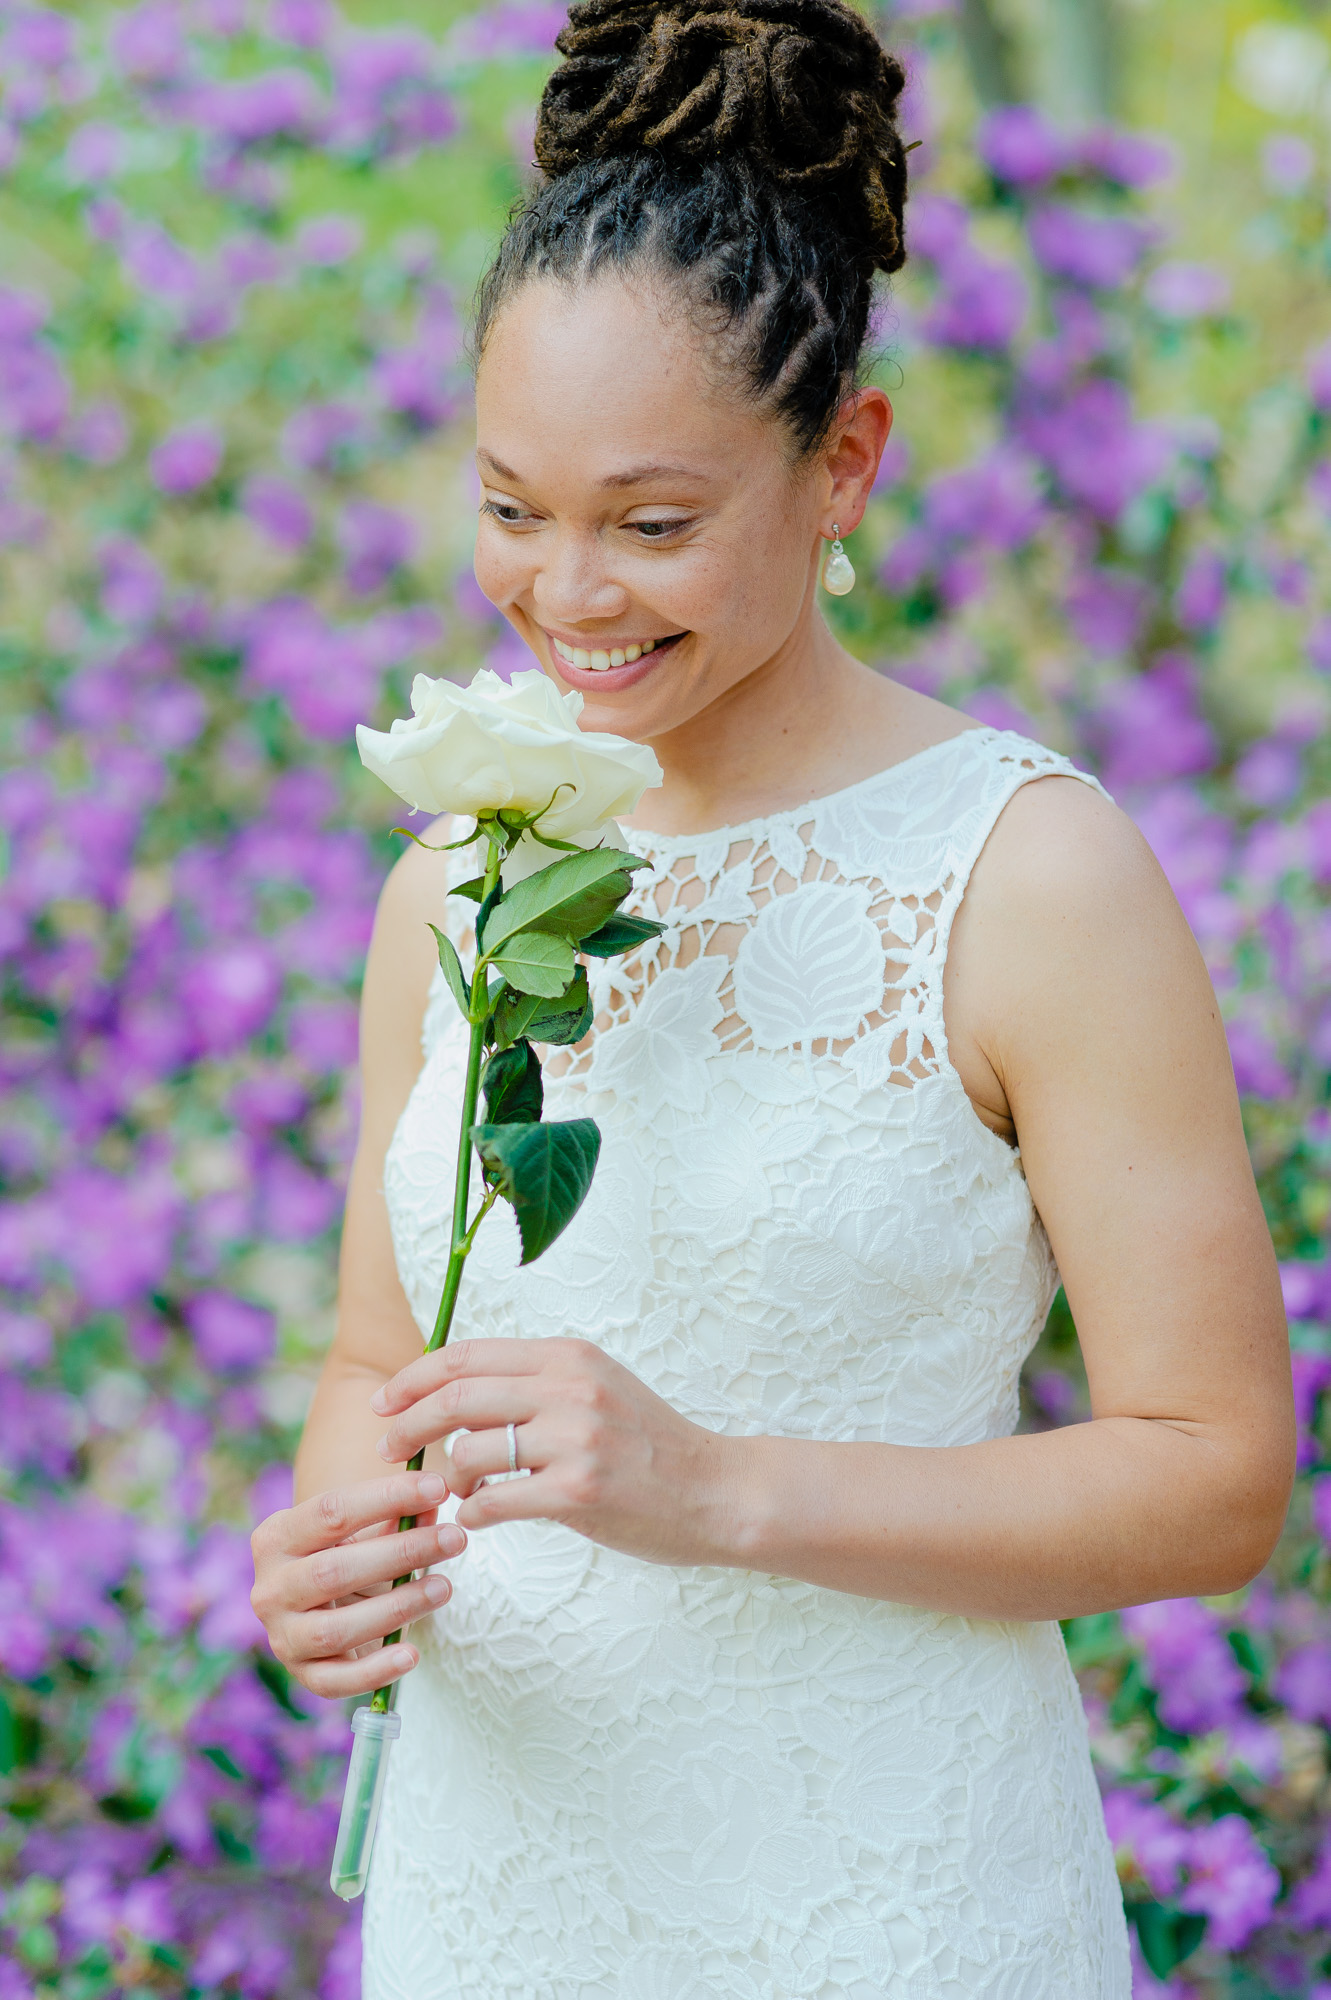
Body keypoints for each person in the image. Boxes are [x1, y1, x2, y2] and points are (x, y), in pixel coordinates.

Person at [249, 0, 1295, 1990]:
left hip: (886, 1901)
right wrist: (335, 1544)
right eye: (509, 506)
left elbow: (1213, 1468)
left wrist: (713, 1488)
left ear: (846, 465)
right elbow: (376, 1366)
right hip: (504, 1892)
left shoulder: (1029, 874)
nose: (567, 593)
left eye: (652, 524)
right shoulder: (455, 873)